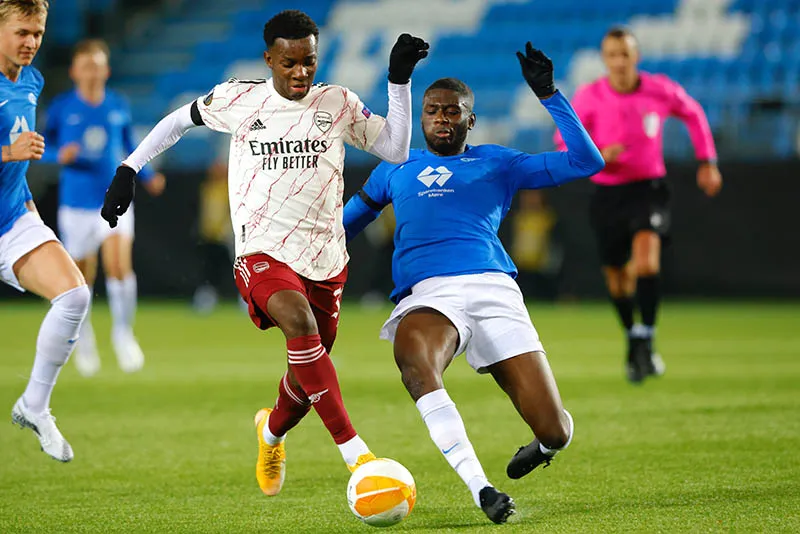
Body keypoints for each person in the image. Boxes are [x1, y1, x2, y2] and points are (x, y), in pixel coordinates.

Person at [100, 10, 428, 495]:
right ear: (269, 59)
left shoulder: (337, 102)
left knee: (307, 371)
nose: (300, 72)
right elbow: (178, 120)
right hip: (261, 250)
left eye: (309, 61)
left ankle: (271, 432)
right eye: (289, 62)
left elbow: (396, 150)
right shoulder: (239, 98)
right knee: (299, 322)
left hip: (325, 258)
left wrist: (398, 81)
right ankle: (357, 454)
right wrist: (130, 167)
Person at [342, 44, 604, 524]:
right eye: (432, 110)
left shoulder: (499, 162)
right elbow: (344, 225)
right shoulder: (394, 167)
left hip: (493, 291)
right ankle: (481, 487)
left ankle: (546, 444)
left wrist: (549, 93)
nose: (442, 118)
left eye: (453, 111)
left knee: (555, 430)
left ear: (471, 120)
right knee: (415, 363)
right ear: (420, 116)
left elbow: (588, 162)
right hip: (428, 295)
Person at [555, 26, 722, 382]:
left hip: (648, 188)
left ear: (636, 57)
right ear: (604, 59)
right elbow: (562, 141)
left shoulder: (659, 88)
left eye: (625, 54)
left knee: (646, 263)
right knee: (616, 277)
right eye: (612, 55)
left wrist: (707, 161)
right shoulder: (589, 96)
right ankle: (634, 337)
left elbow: (693, 113)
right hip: (607, 193)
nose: (619, 62)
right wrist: (599, 154)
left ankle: (646, 334)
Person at [42, 38, 165, 377]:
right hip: (75, 203)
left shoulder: (117, 104)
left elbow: (128, 145)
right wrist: (57, 155)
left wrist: (148, 175)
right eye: (86, 66)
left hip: (113, 199)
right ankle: (84, 340)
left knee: (119, 266)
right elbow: (43, 145)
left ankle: (124, 335)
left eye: (97, 66)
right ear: (74, 71)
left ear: (106, 70)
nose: (92, 72)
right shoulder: (62, 107)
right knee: (82, 278)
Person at [1, 0, 90, 462]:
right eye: (21, 32)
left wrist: (31, 213)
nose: (31, 42)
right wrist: (6, 152)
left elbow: (17, 164)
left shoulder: (31, 81)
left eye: (37, 32)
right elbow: (13, 152)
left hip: (12, 219)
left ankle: (34, 405)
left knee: (74, 296)